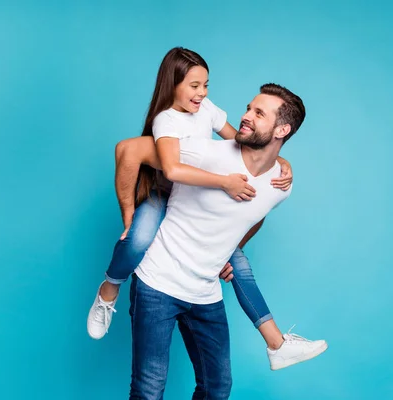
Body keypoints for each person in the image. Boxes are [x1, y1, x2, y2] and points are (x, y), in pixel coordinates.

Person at [86, 47, 325, 371]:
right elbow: (150, 160)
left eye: (205, 85)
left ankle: (277, 344)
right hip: (165, 194)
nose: (201, 93)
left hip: (198, 211)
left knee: (240, 267)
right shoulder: (176, 128)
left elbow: (243, 152)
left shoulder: (214, 117)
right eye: (193, 85)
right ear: (172, 86)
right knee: (138, 239)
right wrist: (128, 214)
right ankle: (109, 288)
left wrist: (276, 159)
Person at [123, 83, 327, 398]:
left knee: (217, 388)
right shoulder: (204, 152)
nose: (245, 116)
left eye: (259, 113)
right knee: (149, 390)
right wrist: (127, 214)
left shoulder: (280, 185)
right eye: (249, 108)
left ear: (281, 129)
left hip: (205, 295)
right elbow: (129, 151)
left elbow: (255, 215)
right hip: (157, 285)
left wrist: (230, 251)